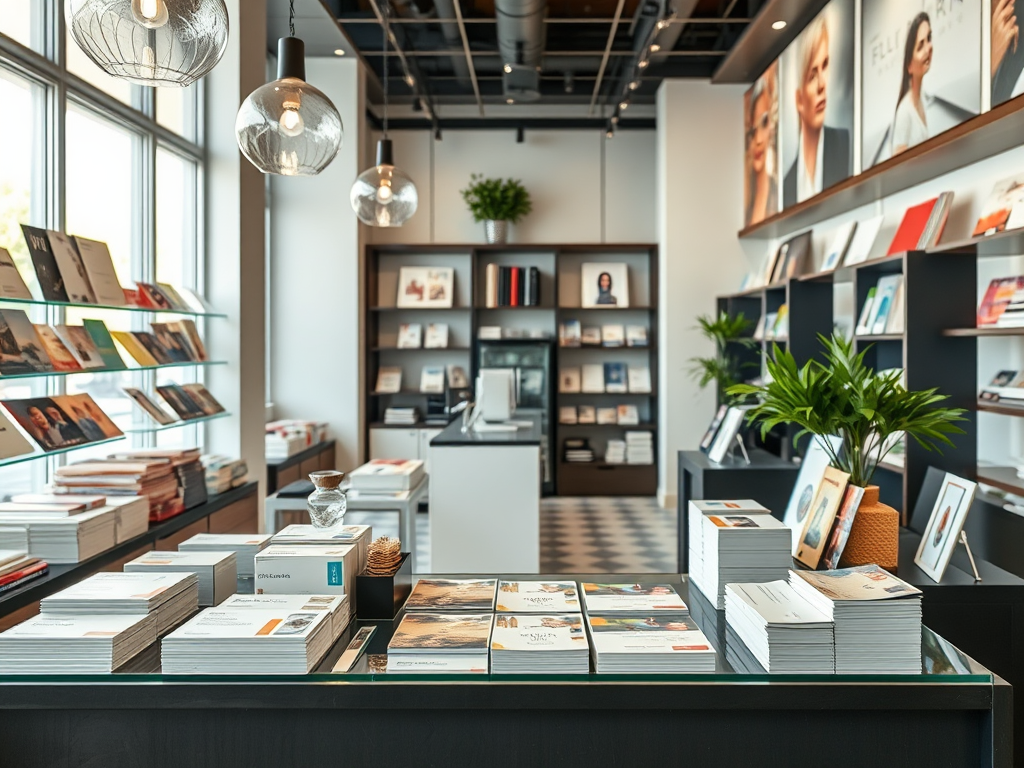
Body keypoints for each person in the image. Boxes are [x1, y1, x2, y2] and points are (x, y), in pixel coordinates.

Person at [783, 16, 851, 207]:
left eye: (825, 66)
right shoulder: (787, 185)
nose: (822, 84)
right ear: (799, 99)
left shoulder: (844, 145)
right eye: (812, 76)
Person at [892, 13, 933, 157]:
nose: (928, 48)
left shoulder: (923, 100)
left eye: (929, 39)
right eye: (920, 46)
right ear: (909, 65)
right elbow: (898, 168)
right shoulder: (904, 112)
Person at [745, 70, 779, 226]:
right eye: (753, 131)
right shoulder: (747, 208)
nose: (758, 140)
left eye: (764, 123)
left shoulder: (778, 198)